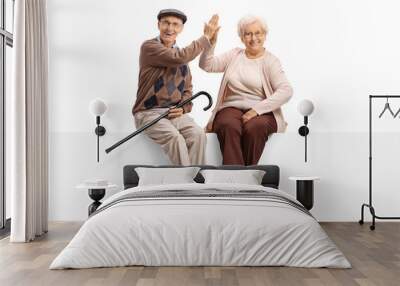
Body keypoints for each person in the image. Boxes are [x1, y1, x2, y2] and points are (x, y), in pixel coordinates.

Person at [199, 15, 293, 165]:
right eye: (248, 34)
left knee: (255, 127)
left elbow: (286, 90)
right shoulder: (234, 55)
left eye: (258, 33)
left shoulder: (270, 61)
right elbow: (207, 65)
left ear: (265, 35)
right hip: (230, 107)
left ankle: (246, 177)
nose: (253, 38)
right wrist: (210, 43)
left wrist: (256, 110)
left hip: (262, 111)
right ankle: (236, 179)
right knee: (228, 125)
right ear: (242, 37)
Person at [132, 10, 218, 165]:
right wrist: (205, 39)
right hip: (148, 113)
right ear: (158, 25)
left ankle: (197, 182)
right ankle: (185, 184)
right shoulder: (149, 47)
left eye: (175, 24)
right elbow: (178, 58)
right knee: (175, 138)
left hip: (173, 114)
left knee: (198, 134)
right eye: (165, 23)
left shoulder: (183, 57)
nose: (169, 28)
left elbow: (187, 90)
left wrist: (183, 108)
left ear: (181, 29)